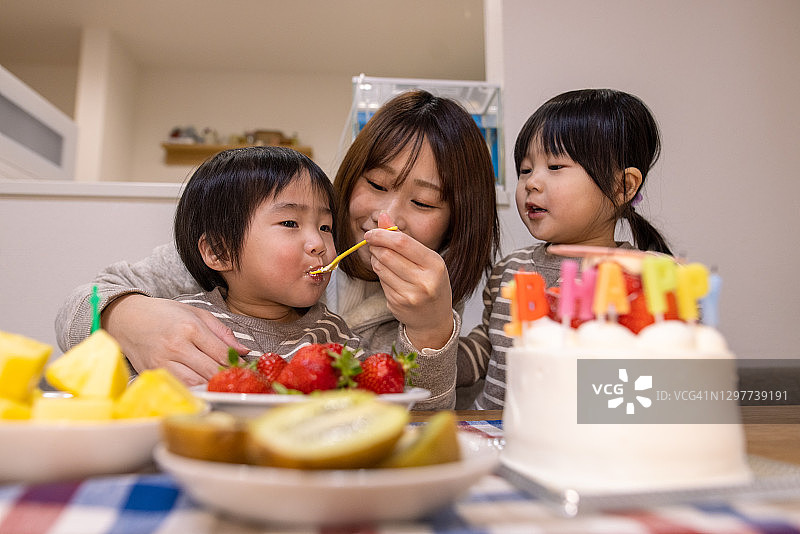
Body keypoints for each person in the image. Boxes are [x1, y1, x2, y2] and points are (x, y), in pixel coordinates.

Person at [54, 90, 500, 409]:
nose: (386, 218)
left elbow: (419, 419)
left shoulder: (422, 298)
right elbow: (77, 311)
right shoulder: (233, 252)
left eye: (422, 202)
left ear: (457, 221)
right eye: (376, 184)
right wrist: (128, 316)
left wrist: (430, 332)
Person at [456, 88, 672, 410]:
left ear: (623, 186)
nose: (531, 183)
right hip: (498, 437)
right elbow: (487, 350)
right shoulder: (510, 270)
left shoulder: (647, 276)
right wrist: (432, 347)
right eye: (526, 170)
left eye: (555, 167)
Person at [169, 145, 368, 361]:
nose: (318, 243)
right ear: (219, 251)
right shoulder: (188, 320)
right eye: (290, 223)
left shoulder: (333, 334)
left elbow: (376, 392)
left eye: (325, 227)